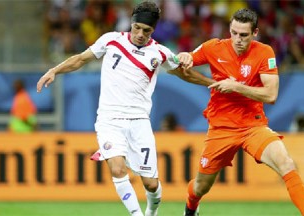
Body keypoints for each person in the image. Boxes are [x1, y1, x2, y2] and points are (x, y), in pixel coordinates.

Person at [36, 1, 212, 216]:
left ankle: (151, 212)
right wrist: (55, 70)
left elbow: (186, 74)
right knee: (117, 168)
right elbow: (81, 59)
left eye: (146, 31)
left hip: (139, 122)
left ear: (153, 31)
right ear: (131, 23)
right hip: (109, 120)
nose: (139, 33)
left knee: (151, 185)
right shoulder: (111, 40)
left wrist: (211, 83)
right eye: (136, 27)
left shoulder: (160, 53)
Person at [176, 8, 304, 216]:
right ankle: (191, 208)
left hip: (253, 126)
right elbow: (180, 66)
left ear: (255, 33)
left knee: (285, 162)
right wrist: (191, 62)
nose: (237, 39)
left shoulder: (264, 52)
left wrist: (236, 86)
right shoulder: (213, 47)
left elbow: (271, 95)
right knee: (200, 187)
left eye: (243, 35)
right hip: (221, 128)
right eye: (233, 33)